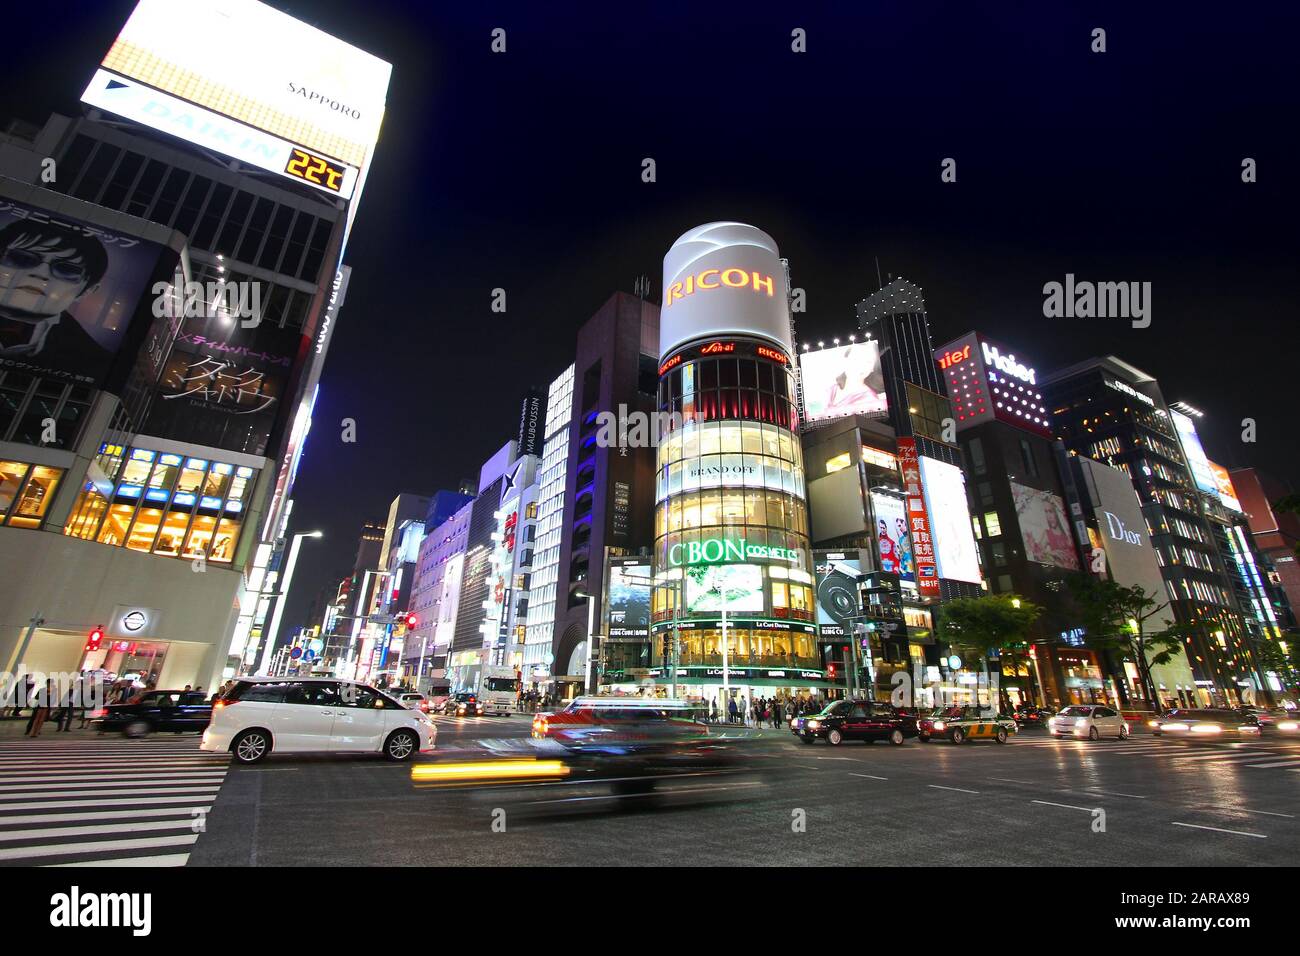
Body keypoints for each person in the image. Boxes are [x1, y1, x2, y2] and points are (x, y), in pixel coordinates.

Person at [0, 218, 114, 373]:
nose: (40, 273)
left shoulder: (95, 361)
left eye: (66, 270)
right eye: (22, 258)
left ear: (88, 290)